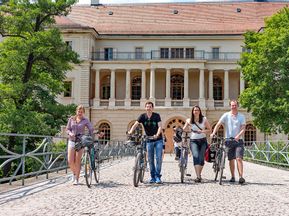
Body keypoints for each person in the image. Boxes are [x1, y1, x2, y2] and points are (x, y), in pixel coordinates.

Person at [210, 99, 246, 184]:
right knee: (231, 160)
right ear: (230, 106)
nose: (234, 107)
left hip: (238, 141)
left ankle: (241, 177)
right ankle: (233, 176)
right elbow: (218, 124)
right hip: (228, 140)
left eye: (235, 105)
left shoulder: (241, 116)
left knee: (239, 158)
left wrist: (238, 136)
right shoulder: (226, 115)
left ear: (238, 106)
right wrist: (213, 133)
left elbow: (243, 128)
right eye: (232, 105)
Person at [128, 101, 164, 184]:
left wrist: (157, 134)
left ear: (152, 108)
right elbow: (135, 125)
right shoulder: (142, 116)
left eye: (150, 107)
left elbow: (160, 127)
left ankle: (158, 176)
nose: (148, 108)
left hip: (158, 139)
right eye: (147, 107)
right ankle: (153, 177)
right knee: (150, 159)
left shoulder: (156, 116)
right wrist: (130, 131)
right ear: (145, 108)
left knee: (158, 158)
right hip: (149, 140)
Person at [66, 105, 94, 185]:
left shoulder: (85, 120)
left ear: (83, 113)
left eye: (81, 112)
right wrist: (70, 133)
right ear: (76, 111)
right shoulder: (71, 119)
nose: (80, 113)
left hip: (80, 141)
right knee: (70, 161)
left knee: (77, 161)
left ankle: (76, 179)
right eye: (79, 111)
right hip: (71, 141)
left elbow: (91, 128)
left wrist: (95, 133)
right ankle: (74, 173)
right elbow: (67, 129)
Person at [183, 105, 211, 183]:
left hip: (203, 140)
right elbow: (184, 129)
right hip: (193, 140)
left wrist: (202, 131)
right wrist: (182, 127)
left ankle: (199, 174)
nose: (196, 111)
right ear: (192, 111)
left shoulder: (204, 119)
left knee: (201, 158)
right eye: (194, 110)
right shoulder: (189, 120)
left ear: (200, 111)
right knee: (195, 156)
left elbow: (209, 129)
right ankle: (198, 176)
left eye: (197, 110)